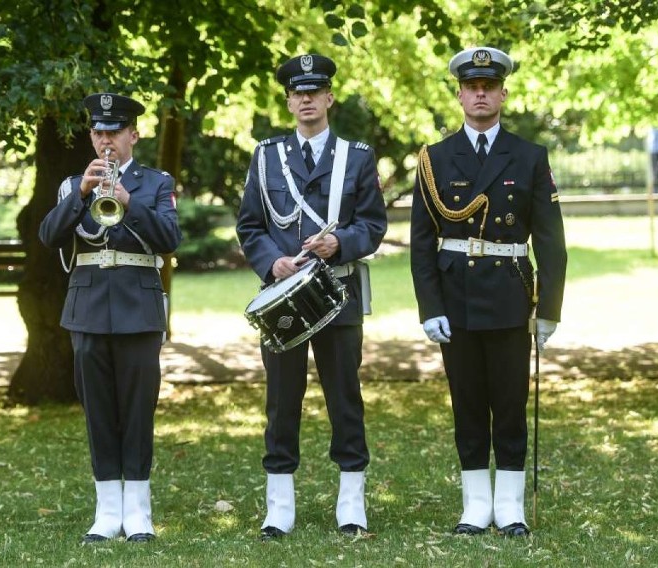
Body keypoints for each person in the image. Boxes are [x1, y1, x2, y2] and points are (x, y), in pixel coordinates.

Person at [409, 47, 567, 537]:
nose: (480, 94)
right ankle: (476, 506)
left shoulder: (529, 156)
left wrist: (549, 311)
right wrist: (429, 307)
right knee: (468, 404)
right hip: (455, 299)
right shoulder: (434, 158)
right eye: (471, 87)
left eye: (489, 86)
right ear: (459, 94)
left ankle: (511, 507)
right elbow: (420, 242)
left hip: (509, 297)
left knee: (510, 403)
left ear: (503, 93)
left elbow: (551, 242)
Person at [236, 53, 387, 539]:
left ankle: (351, 503)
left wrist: (341, 242)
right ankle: (279, 506)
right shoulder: (266, 156)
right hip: (282, 295)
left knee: (345, 396)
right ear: (288, 101)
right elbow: (250, 225)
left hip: (337, 294)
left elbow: (373, 224)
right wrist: (270, 262)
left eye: (314, 92)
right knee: (281, 400)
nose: (306, 100)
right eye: (297, 93)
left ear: (329, 98)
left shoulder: (357, 157)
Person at [39, 92, 181, 543]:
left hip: (139, 308)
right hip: (87, 308)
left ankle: (138, 512)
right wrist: (81, 195)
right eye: (98, 132)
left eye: (114, 132)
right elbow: (48, 237)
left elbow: (170, 239)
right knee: (98, 412)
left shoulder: (156, 182)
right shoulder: (71, 185)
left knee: (138, 411)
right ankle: (106, 513)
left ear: (132, 135)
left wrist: (128, 201)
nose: (106, 141)